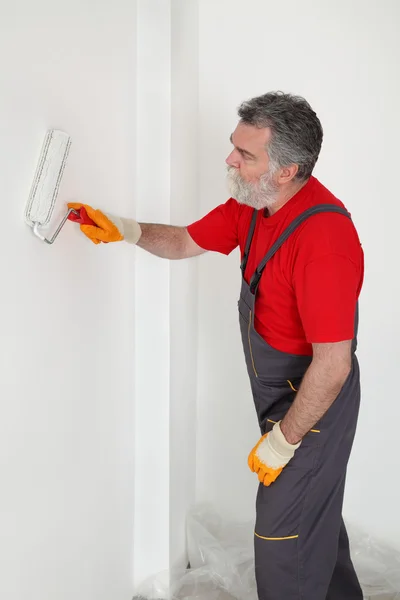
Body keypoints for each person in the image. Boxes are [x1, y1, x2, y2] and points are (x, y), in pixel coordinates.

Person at [69, 92, 364, 600]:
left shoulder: (325, 241)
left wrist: (284, 440)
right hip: (282, 393)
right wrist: (127, 230)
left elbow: (333, 365)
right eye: (235, 147)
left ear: (288, 170)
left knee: (281, 540)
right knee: (312, 519)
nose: (230, 159)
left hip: (316, 402)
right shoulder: (253, 205)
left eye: (245, 155)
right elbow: (186, 240)